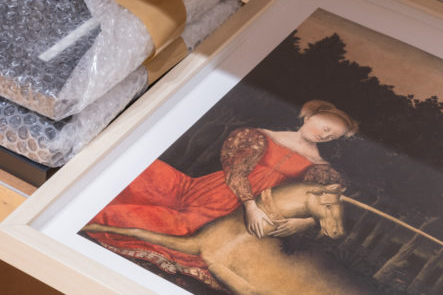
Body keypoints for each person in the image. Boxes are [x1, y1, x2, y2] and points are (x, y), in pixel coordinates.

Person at [84, 100, 356, 285]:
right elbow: (236, 172)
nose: (325, 134)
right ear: (308, 116)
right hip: (195, 189)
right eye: (325, 126)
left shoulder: (320, 168)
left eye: (332, 135)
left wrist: (302, 221)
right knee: (137, 171)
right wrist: (250, 204)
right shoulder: (259, 136)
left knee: (119, 215)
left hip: (223, 215)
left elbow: (325, 202)